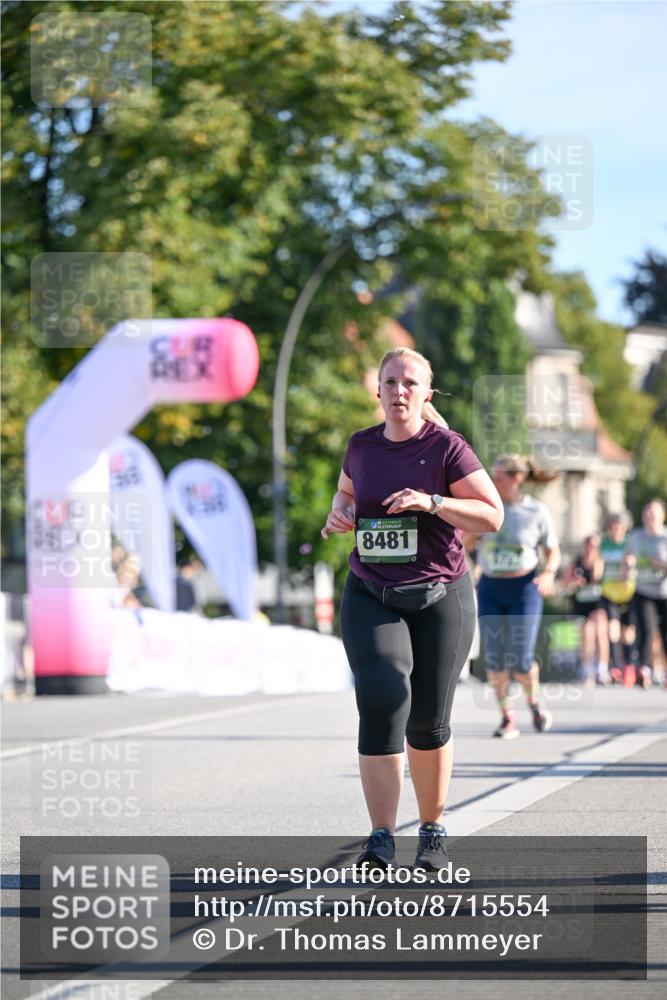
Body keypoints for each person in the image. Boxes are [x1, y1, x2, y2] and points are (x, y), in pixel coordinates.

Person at [321, 347, 502, 870]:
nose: (399, 391)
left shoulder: (446, 448)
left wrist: (434, 502)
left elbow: (493, 514)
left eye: (409, 383)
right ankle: (380, 837)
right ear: (377, 391)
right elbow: (346, 495)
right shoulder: (361, 446)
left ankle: (431, 830)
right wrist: (342, 515)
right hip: (371, 589)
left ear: (427, 394)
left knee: (427, 720)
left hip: (440, 595)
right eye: (390, 382)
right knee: (381, 697)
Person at [464, 454, 561, 740]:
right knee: (494, 660)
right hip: (491, 588)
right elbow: (465, 543)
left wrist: (550, 573)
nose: (493, 482)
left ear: (517, 479)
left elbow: (552, 550)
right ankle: (508, 716)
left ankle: (534, 702)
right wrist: (473, 528)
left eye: (499, 477)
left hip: (524, 589)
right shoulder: (486, 507)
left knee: (520, 660)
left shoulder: (536, 512)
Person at [623, 498, 667, 688]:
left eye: (653, 512)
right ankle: (645, 669)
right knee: (646, 630)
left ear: (662, 516)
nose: (649, 516)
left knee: (665, 633)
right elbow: (628, 557)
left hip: (665, 591)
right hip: (643, 590)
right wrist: (627, 567)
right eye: (646, 512)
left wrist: (660, 564)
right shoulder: (636, 536)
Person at [563, 534, 607, 686]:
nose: (591, 548)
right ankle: (586, 669)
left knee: (601, 631)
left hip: (596, 602)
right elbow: (566, 584)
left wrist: (594, 567)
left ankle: (602, 669)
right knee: (587, 635)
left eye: (594, 545)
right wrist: (575, 582)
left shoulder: (600, 561)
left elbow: (598, 578)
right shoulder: (576, 563)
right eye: (588, 544)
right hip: (581, 603)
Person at [599, 512, 637, 686]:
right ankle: (616, 666)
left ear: (624, 528)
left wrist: (627, 565)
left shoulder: (629, 543)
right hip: (609, 592)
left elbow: (632, 560)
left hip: (628, 592)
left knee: (628, 632)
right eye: (612, 526)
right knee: (612, 629)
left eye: (618, 526)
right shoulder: (604, 543)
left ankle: (630, 665)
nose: (615, 529)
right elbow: (598, 563)